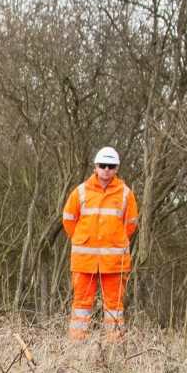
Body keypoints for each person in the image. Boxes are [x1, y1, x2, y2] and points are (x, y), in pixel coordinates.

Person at [60, 146, 139, 342]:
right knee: (81, 303)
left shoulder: (125, 194)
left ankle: (115, 343)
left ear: (117, 168)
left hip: (114, 261)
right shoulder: (80, 192)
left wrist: (114, 241)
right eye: (103, 165)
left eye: (110, 166)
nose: (106, 169)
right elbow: (68, 220)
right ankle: (77, 342)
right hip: (84, 259)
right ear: (95, 166)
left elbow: (131, 224)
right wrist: (83, 239)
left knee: (114, 304)